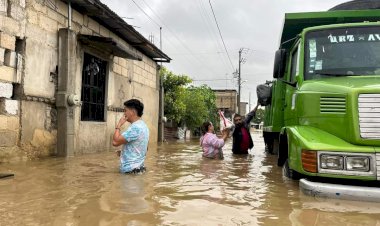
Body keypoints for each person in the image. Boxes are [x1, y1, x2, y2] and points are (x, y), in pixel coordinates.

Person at [112, 99, 149, 174]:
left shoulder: (135, 128)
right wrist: (125, 152)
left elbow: (115, 142)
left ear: (133, 112)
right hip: (139, 169)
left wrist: (119, 125)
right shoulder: (144, 126)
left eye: (125, 110)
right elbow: (145, 148)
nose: (124, 114)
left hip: (130, 170)